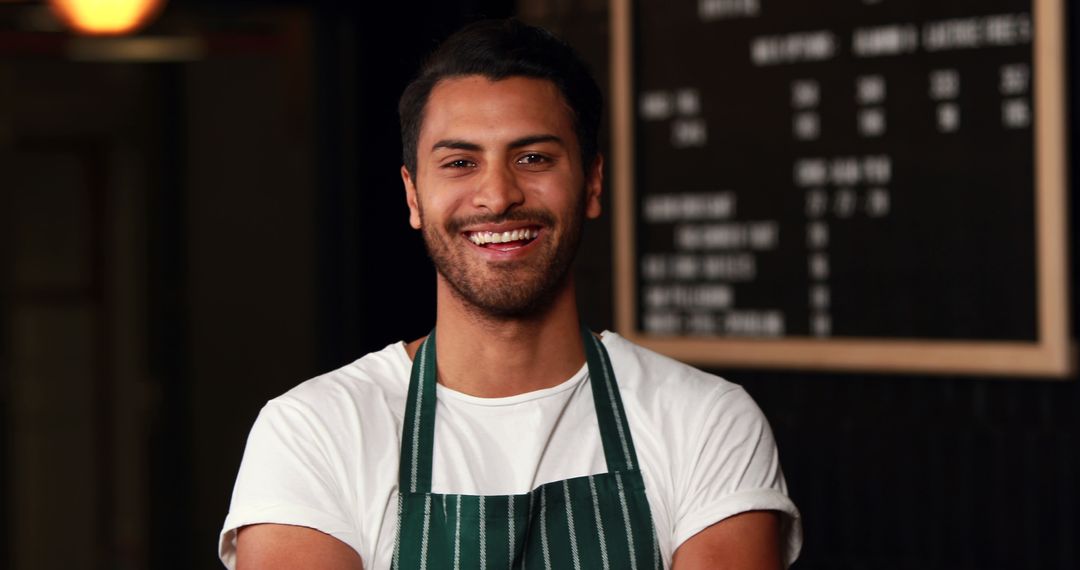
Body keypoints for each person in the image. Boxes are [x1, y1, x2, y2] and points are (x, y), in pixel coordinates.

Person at [219, 18, 801, 569]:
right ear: (413, 196)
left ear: (592, 182)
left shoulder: (705, 421)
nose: (497, 196)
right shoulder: (316, 430)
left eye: (533, 158)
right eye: (459, 162)